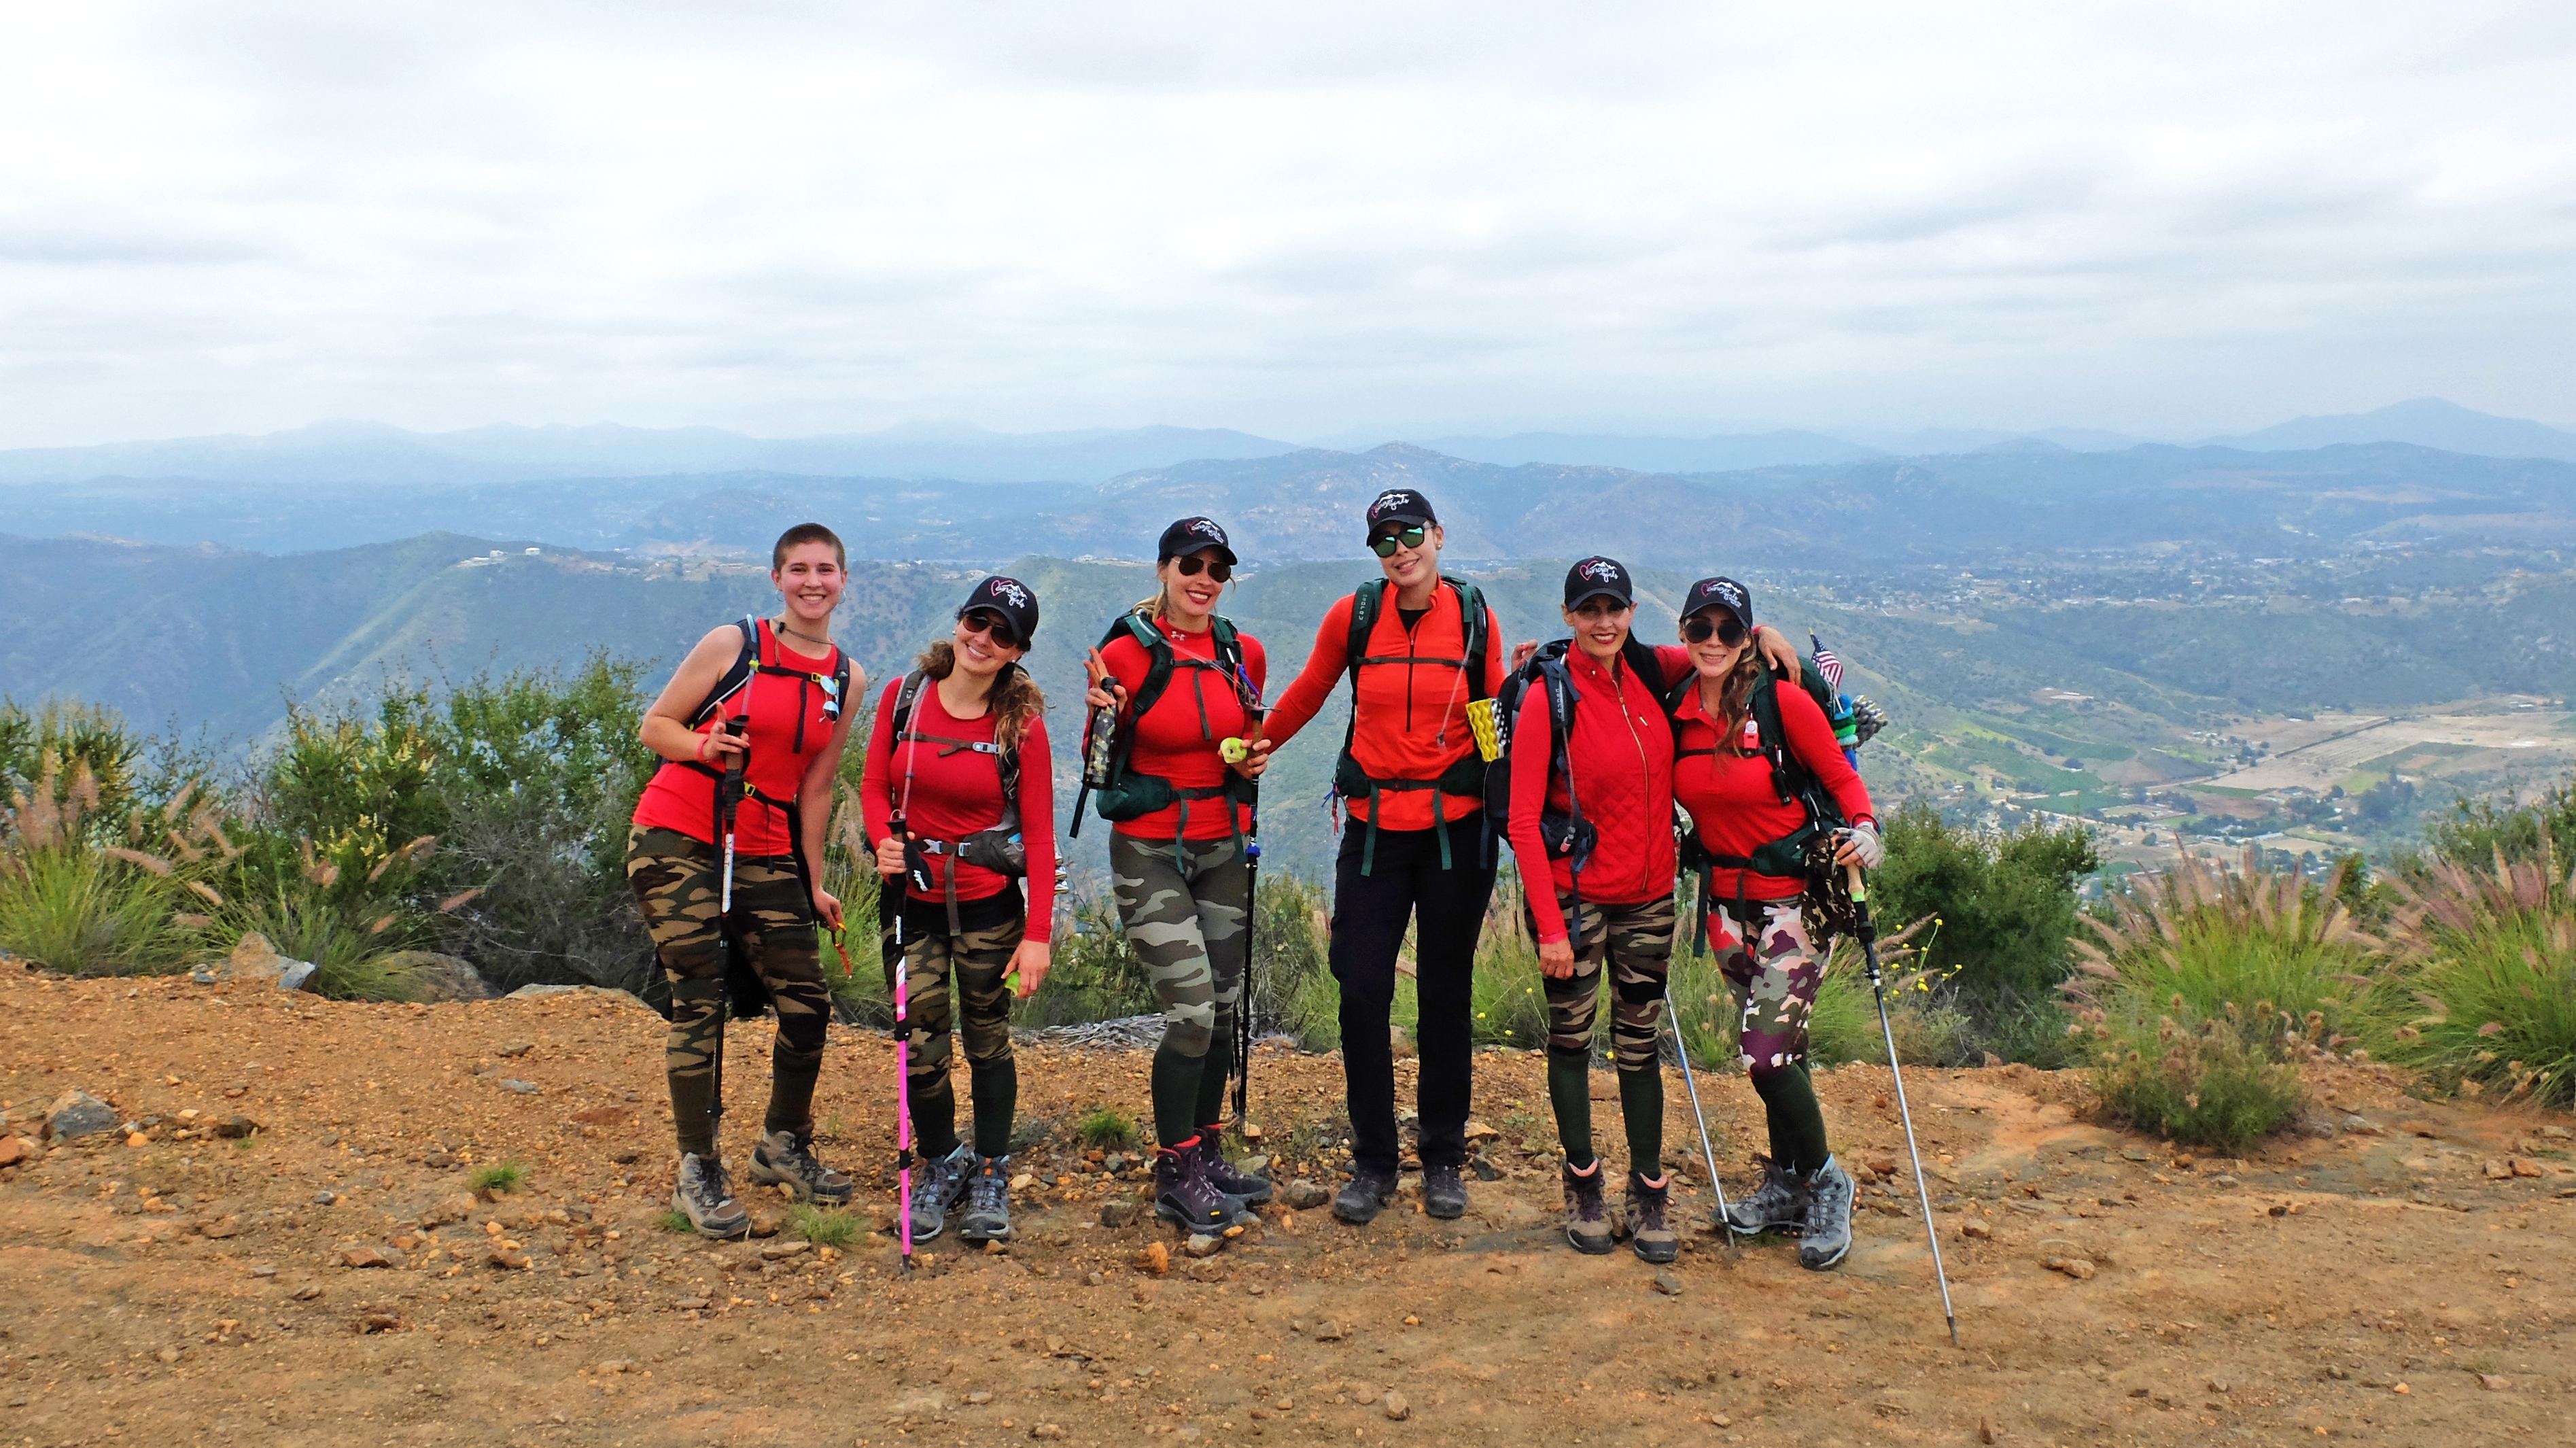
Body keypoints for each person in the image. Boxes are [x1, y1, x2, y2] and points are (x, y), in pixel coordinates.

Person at [1261, 488, 1504, 1225]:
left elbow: (1489, 708)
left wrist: (1507, 797)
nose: (1398, 549)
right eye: (1382, 540)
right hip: (1372, 831)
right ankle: (1372, 1161)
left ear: (1437, 535)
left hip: (1455, 831)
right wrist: (1262, 744)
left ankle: (1442, 1158)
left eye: (1408, 534)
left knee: (1443, 994)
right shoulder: (1353, 615)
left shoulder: (1471, 615)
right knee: (1361, 989)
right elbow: (1310, 689)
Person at [627, 522, 863, 1239]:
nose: (812, 581)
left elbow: (817, 791)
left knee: (807, 1002)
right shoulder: (736, 646)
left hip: (766, 849)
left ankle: (781, 1144)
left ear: (843, 580)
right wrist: (705, 744)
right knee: (699, 994)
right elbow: (655, 725)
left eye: (825, 569)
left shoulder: (845, 679)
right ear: (777, 579)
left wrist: (813, 882)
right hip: (681, 834)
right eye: (799, 569)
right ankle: (697, 1166)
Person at [1667, 575, 1881, 1271]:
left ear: (1747, 636)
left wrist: (1867, 829)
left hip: (1793, 904)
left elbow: (1843, 782)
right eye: (1700, 628)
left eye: (1730, 630)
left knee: (1763, 1053)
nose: (1713, 642)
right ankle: (1787, 1183)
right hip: (1725, 910)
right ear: (1683, 632)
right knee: (1783, 1054)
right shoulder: (1675, 707)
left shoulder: (1783, 702)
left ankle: (1825, 1180)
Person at [1080, 516, 1274, 1237]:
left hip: (1222, 846)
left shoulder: (1241, 651)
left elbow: (1247, 739)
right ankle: (1174, 1172)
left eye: (1217, 569)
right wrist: (1104, 712)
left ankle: (1208, 1150)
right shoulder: (1123, 654)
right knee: (1191, 1012)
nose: (1204, 579)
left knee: (1222, 1009)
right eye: (1190, 564)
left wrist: (1253, 760)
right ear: (1162, 569)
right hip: (1149, 850)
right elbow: (1098, 768)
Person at [863, 575, 1057, 1245]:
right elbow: (871, 784)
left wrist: (1037, 937)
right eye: (979, 620)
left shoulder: (1020, 726)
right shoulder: (903, 698)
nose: (984, 638)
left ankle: (992, 1168)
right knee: (920, 1047)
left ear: (1016, 651)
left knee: (986, 1041)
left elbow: (1037, 834)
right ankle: (942, 1160)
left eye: (1003, 633)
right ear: (960, 621)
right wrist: (882, 841)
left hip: (988, 912)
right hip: (910, 907)